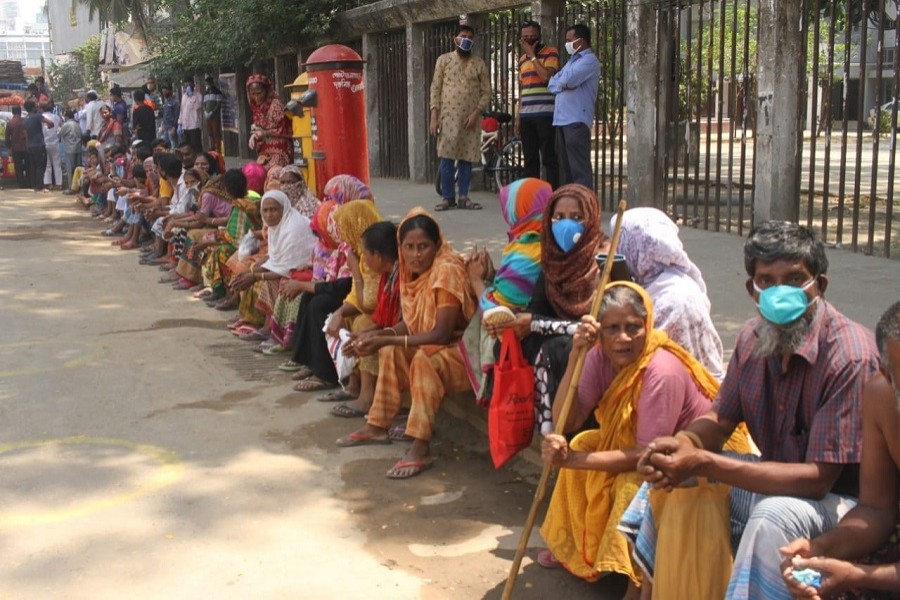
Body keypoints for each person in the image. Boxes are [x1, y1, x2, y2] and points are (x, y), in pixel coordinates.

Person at [621, 221, 881, 599]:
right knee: (671, 476)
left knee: (771, 517)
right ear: (752, 289)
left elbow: (818, 479)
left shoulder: (848, 355)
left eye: (794, 279)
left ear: (819, 286)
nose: (780, 292)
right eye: (767, 281)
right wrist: (682, 444)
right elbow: (719, 419)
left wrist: (704, 462)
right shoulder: (751, 337)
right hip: (778, 484)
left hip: (840, 505)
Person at [538, 282, 727, 597]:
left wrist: (573, 460)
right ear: (600, 332)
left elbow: (647, 453)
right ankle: (576, 548)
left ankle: (636, 581)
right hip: (637, 446)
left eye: (633, 328)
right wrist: (575, 356)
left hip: (683, 459)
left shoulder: (660, 371)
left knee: (631, 484)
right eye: (612, 328)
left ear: (648, 325)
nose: (622, 338)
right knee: (583, 440)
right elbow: (565, 420)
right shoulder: (599, 357)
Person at [336, 209, 477, 480]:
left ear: (436, 246)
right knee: (390, 349)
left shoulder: (445, 271)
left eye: (423, 247)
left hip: (460, 351)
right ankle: (378, 426)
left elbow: (442, 333)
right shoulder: (411, 273)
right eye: (409, 247)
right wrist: (378, 337)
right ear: (400, 248)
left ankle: (420, 447)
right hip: (434, 344)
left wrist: (386, 337)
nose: (416, 254)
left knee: (424, 361)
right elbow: (411, 325)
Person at [781, 301, 900, 600]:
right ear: (887, 374)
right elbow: (876, 508)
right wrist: (821, 548)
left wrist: (859, 576)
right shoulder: (881, 396)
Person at [490, 183, 609, 435]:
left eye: (577, 217)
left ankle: (566, 431)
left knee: (559, 349)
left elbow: (599, 326)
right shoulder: (553, 260)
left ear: (592, 217)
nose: (566, 225)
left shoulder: (603, 260)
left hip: (595, 342)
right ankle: (530, 423)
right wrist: (513, 324)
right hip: (560, 337)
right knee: (509, 344)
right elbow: (537, 308)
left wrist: (533, 322)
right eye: (558, 217)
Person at [461, 177, 552, 402]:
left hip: (520, 335)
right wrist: (492, 276)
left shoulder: (528, 249)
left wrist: (475, 280)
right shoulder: (540, 239)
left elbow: (495, 311)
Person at [612, 207, 725, 381]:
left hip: (683, 392)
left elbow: (641, 358)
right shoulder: (652, 284)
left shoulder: (672, 299)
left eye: (620, 244)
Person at [429, 23, 491, 211]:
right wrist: (434, 116)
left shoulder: (479, 63)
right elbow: (435, 88)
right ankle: (448, 198)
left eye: (470, 37)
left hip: (470, 121)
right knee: (446, 158)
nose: (467, 40)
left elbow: (486, 92)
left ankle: (463, 197)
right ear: (455, 38)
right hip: (447, 118)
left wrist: (475, 113)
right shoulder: (444, 60)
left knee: (466, 159)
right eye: (463, 36)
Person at [548, 23, 601, 190]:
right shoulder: (571, 62)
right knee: (568, 170)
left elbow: (567, 81)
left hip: (576, 120)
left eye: (570, 40)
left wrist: (563, 82)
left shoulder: (589, 61)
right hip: (562, 121)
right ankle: (573, 206)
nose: (567, 44)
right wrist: (563, 83)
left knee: (580, 169)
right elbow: (552, 84)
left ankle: (585, 207)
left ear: (581, 41)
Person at [516, 21, 560, 189]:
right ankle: (532, 197)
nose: (529, 40)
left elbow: (546, 77)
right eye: (525, 38)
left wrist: (532, 55)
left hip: (545, 113)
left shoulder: (551, 53)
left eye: (532, 37)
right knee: (530, 159)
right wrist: (519, 117)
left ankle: (553, 196)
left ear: (539, 36)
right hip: (527, 115)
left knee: (548, 158)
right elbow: (523, 88)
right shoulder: (521, 60)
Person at [246, 74, 293, 167]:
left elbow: (284, 129)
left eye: (259, 93)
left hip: (279, 150)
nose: (256, 97)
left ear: (266, 91)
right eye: (253, 94)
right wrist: (254, 135)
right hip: (263, 151)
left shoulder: (276, 105)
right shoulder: (256, 107)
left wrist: (264, 133)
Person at [23, 100, 54, 192]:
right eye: (36, 106)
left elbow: (25, 135)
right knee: (41, 165)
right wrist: (49, 126)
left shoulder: (25, 119)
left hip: (30, 145)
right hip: (39, 144)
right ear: (33, 108)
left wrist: (27, 145)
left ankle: (34, 185)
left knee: (33, 165)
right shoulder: (37, 116)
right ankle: (39, 185)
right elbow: (50, 122)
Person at [59, 110, 83, 193]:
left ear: (66, 116)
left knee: (70, 169)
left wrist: (59, 126)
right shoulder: (77, 124)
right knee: (78, 168)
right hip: (78, 148)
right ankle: (79, 187)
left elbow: (59, 134)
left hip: (70, 149)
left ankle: (71, 187)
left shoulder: (67, 125)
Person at [41, 103, 63, 191]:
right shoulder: (56, 117)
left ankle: (48, 184)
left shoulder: (41, 117)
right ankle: (59, 184)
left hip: (45, 142)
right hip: (55, 142)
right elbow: (61, 125)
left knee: (47, 164)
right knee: (57, 164)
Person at [4, 105, 28, 188]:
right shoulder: (24, 121)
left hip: (15, 147)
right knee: (28, 165)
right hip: (26, 146)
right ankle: (29, 182)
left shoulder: (10, 123)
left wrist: (9, 147)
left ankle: (21, 184)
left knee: (18, 166)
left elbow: (6, 138)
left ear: (12, 112)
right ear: (20, 112)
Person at [178, 77, 203, 152]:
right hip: (185, 126)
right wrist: (179, 124)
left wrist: (191, 95)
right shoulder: (184, 96)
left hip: (194, 126)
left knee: (196, 147)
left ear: (193, 84)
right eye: (186, 83)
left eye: (190, 83)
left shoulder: (198, 95)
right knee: (187, 148)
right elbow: (182, 110)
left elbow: (197, 106)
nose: (188, 85)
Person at [203, 75, 224, 152]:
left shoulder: (217, 92)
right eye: (207, 84)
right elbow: (205, 104)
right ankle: (212, 148)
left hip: (215, 116)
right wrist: (205, 111)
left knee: (216, 133)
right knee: (210, 133)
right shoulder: (206, 93)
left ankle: (218, 148)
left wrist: (212, 112)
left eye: (209, 83)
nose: (208, 85)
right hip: (208, 116)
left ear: (212, 83)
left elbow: (218, 104)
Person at [161, 83, 180, 150]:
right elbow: (165, 115)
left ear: (170, 91)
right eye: (163, 92)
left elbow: (177, 115)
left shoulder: (175, 102)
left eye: (165, 91)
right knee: (167, 145)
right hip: (166, 127)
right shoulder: (166, 102)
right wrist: (162, 125)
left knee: (174, 146)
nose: (164, 93)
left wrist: (174, 127)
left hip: (171, 127)